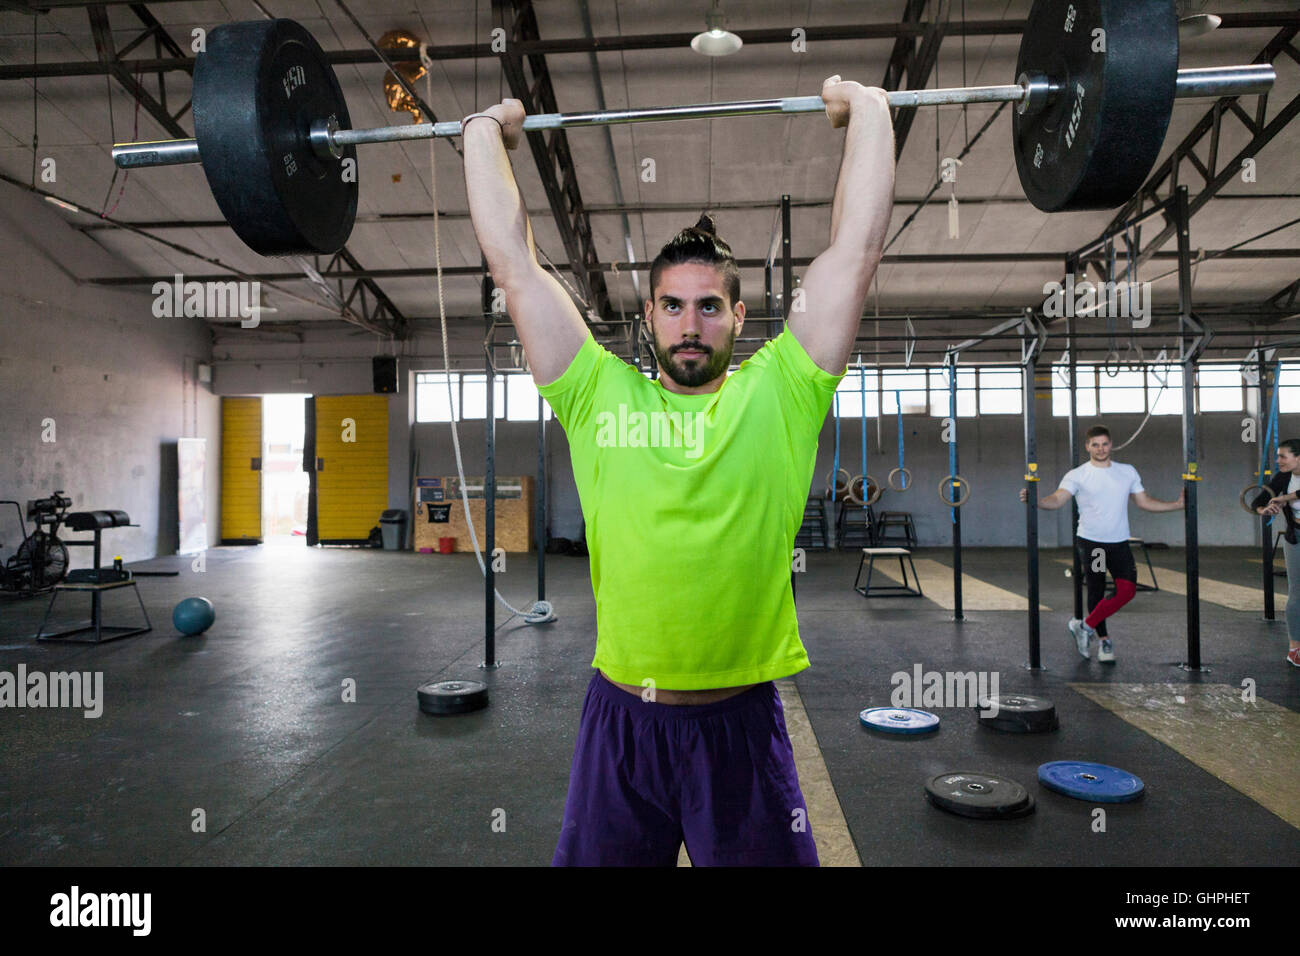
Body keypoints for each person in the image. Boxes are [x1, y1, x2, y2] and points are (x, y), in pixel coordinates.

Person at [461, 76, 894, 865]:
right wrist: (486, 130)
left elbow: (855, 254)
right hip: (622, 726)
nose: (689, 324)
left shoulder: (783, 392)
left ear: (739, 316)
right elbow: (514, 268)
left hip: (743, 731)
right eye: (671, 305)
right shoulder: (596, 396)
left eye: (708, 306)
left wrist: (866, 110)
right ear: (648, 316)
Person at [1019, 426, 1184, 662]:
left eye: (1104, 444)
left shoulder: (1127, 472)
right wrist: (1038, 501)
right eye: (1095, 445)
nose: (1100, 449)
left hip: (1119, 543)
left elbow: (1144, 502)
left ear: (1111, 445)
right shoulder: (1077, 475)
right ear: (1087, 447)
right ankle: (1104, 641)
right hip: (1093, 544)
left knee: (1127, 591)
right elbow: (1057, 499)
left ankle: (1084, 628)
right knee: (1096, 590)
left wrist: (1176, 505)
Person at [1249, 438, 1300, 666]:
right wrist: (1265, 508)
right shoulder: (1283, 477)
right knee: (1296, 593)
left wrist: (1286, 497)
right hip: (1296, 536)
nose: (1278, 460)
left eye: (1283, 456)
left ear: (1298, 457)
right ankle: (1295, 649)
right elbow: (1257, 502)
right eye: (1278, 456)